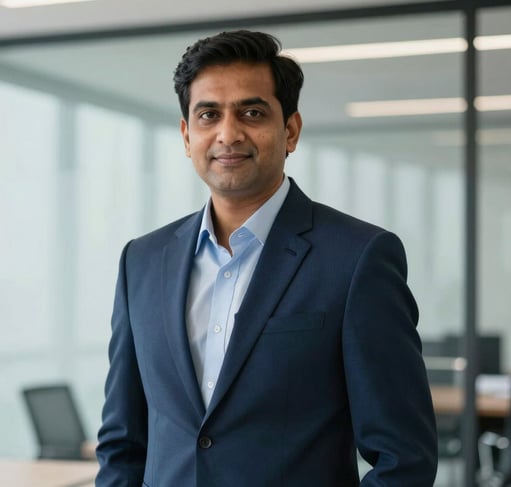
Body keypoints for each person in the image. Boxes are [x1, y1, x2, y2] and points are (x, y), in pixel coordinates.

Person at [95, 30, 437, 486]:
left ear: (290, 130)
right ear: (186, 135)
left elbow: (404, 458)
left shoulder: (358, 258)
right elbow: (122, 445)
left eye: (252, 113)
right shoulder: (141, 261)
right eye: (209, 115)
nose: (228, 134)